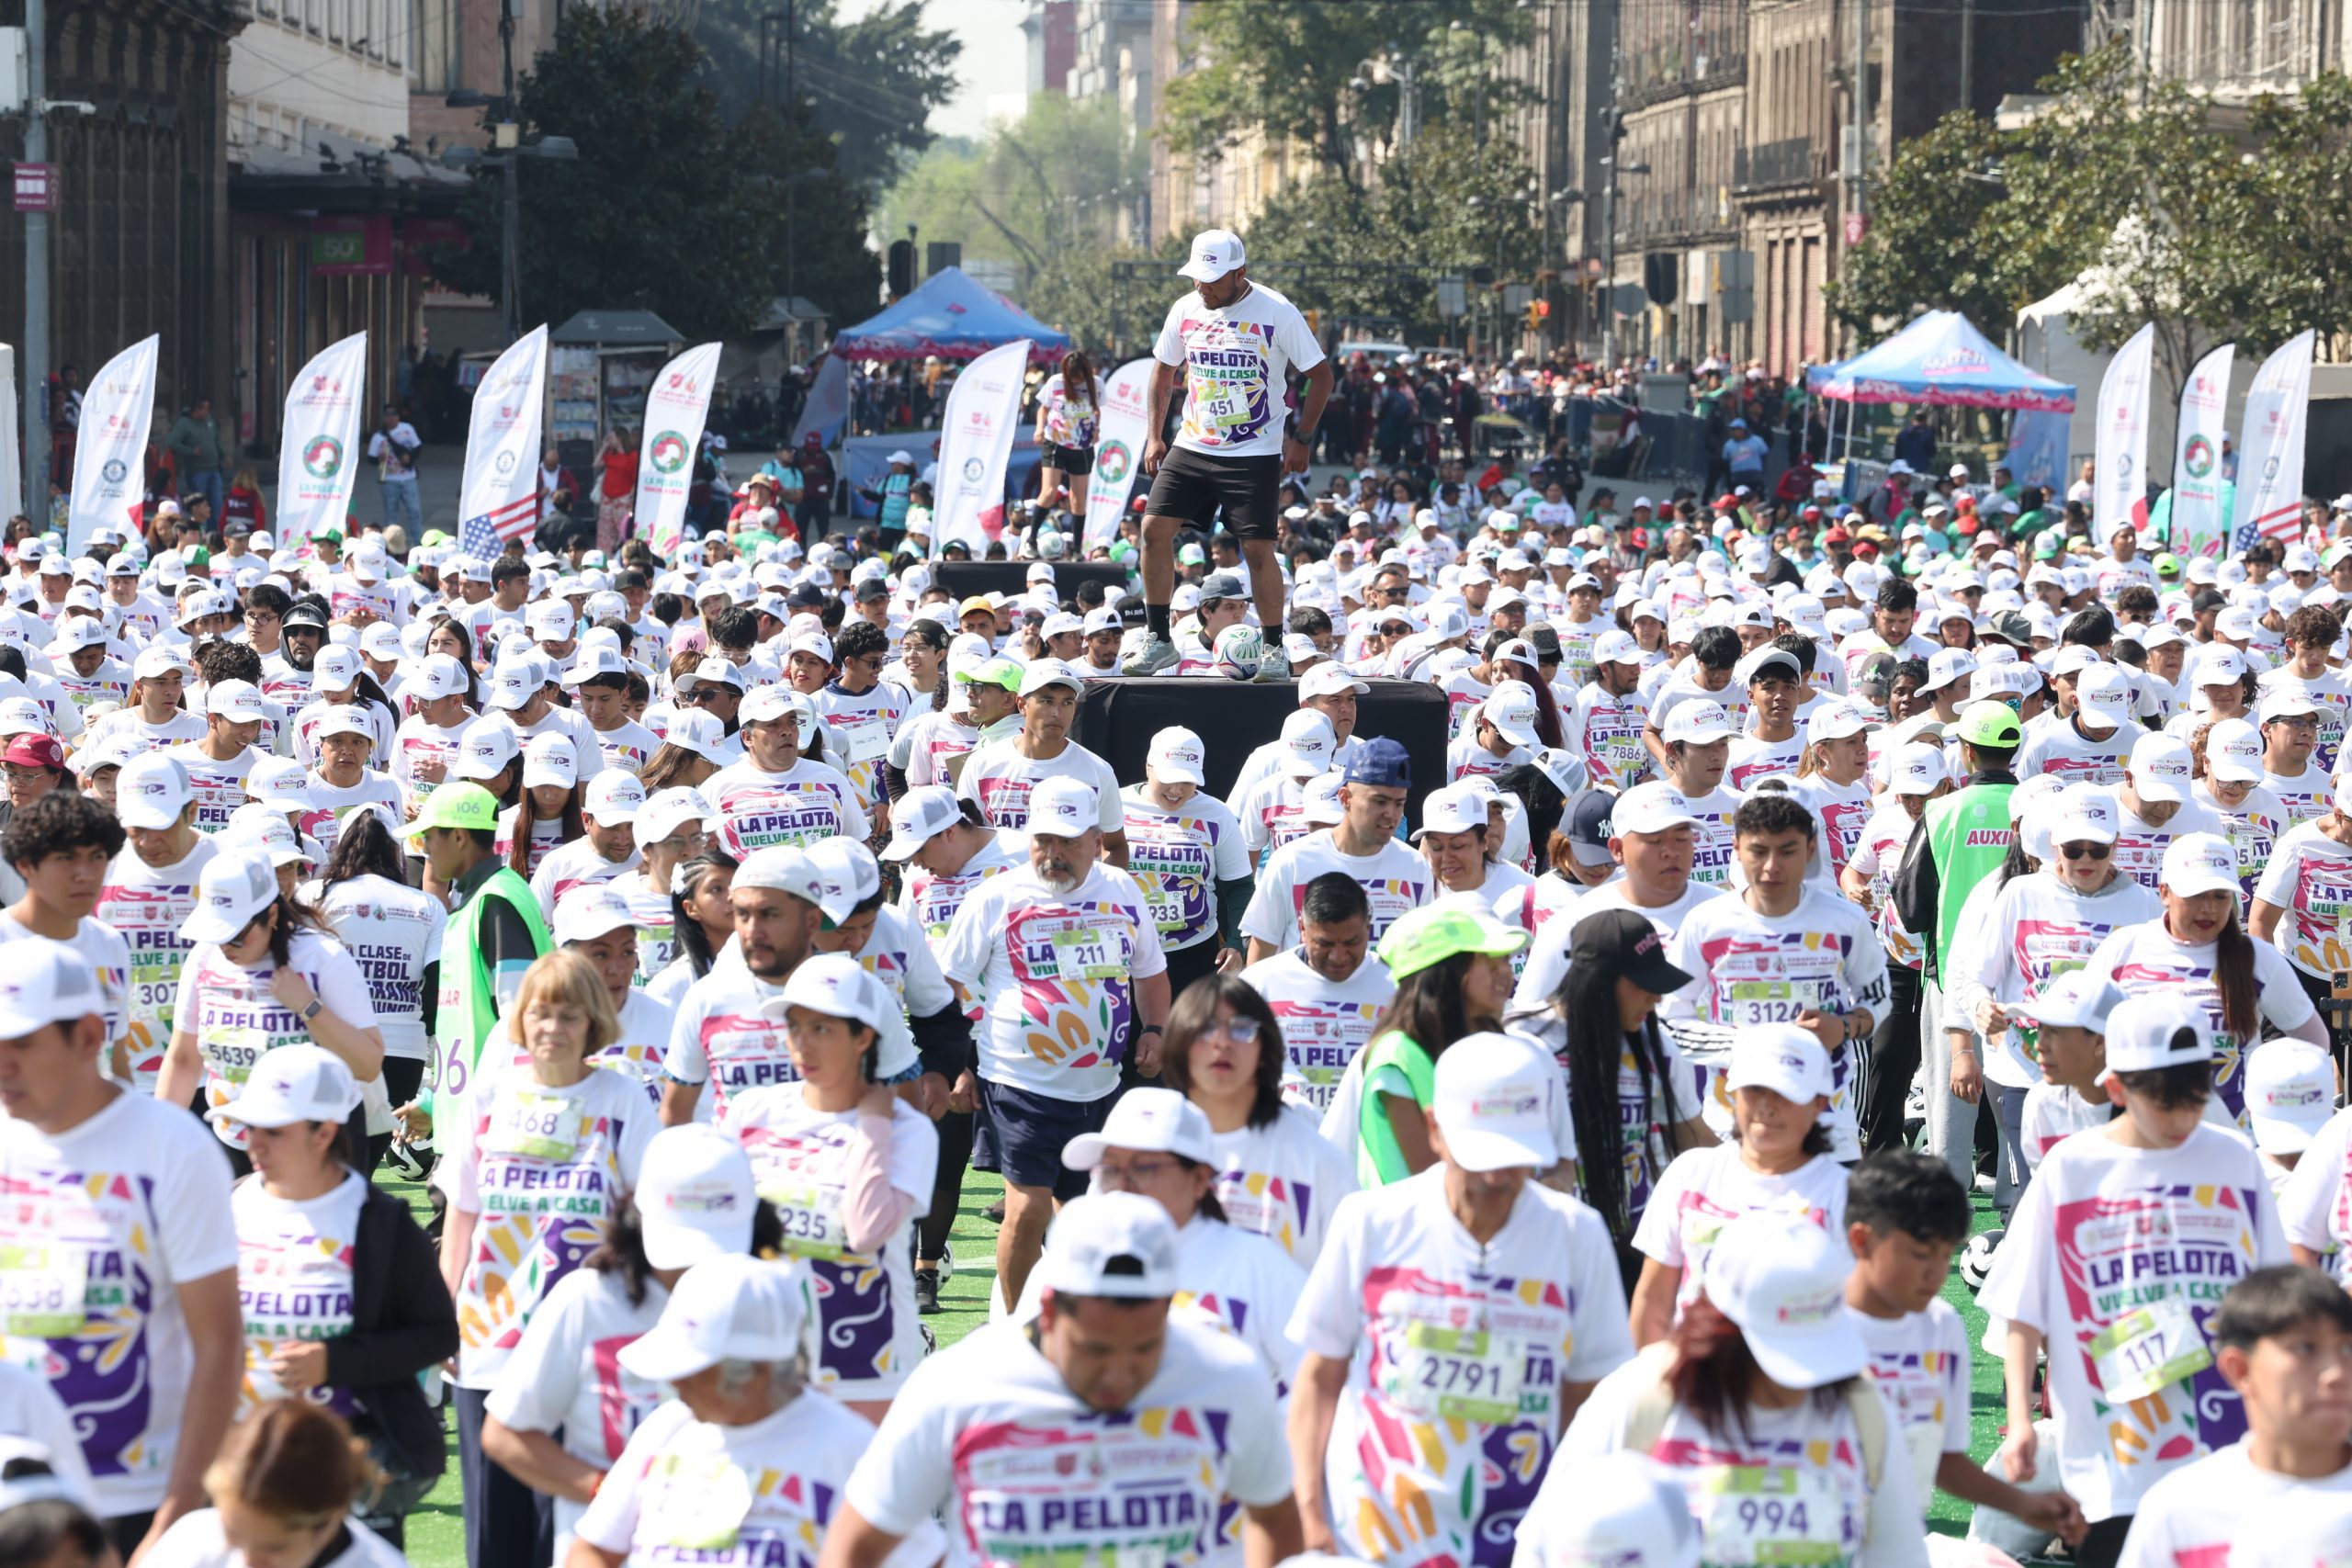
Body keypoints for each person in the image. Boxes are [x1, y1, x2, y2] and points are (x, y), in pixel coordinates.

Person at [1289, 1031, 1634, 1562]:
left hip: (1520, 1541)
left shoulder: (1576, 1236)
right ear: (1435, 1131)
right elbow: (1319, 1376)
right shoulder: (1372, 1223)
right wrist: (1311, 1517)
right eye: (1480, 1157)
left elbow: (1587, 1398)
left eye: (1516, 1158)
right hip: (1376, 1539)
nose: (1497, 1176)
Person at [819, 1193, 1301, 1568]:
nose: (1119, 1374)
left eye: (1147, 1349)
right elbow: (856, 1544)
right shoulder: (956, 1387)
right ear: (1047, 1311)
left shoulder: (1228, 1379)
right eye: (1095, 1349)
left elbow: (1277, 1519)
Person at [1979, 993, 2292, 1568]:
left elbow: (2277, 1297)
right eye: (2162, 1101)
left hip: (2222, 1439)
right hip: (2110, 1454)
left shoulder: (2235, 1159)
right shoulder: (2072, 1169)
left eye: (2195, 1097)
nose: (2182, 1117)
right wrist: (2021, 1422)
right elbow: (2021, 1307)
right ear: (2117, 1088)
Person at [0, 942, 241, 1561]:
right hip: (14, 1503)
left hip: (138, 1500)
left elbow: (219, 1346)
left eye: (20, 1044)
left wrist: (176, 1517)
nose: (2, 1064)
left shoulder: (173, 1148)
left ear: (85, 1036)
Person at [436, 948, 657, 1568]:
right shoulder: (490, 1095)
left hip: (588, 1347)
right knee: (494, 1538)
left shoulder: (624, 1100)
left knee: (570, 1530)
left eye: (568, 1015)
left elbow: (646, 1219)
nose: (552, 1028)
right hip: (489, 1339)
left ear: (593, 1022)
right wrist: (441, 1312)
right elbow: (463, 1215)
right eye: (539, 1013)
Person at [1550, 1209, 1929, 1568]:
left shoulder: (1862, 1411)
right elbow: (1545, 1542)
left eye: (1817, 1354)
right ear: (1722, 1335)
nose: (1804, 1379)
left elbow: (1900, 1555)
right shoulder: (1639, 1396)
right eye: (1782, 1358)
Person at [482, 1125, 774, 1562]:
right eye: (682, 1246)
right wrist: (613, 1494)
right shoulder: (587, 1299)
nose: (697, 1265)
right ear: (639, 1218)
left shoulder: (773, 1294)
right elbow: (506, 1434)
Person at [938, 775, 1170, 1312]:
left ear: (1097, 841)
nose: (1055, 854)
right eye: (1045, 840)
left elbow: (1150, 974)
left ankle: (1074, 1318)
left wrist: (1155, 1030)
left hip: (1101, 1089)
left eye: (1069, 841)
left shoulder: (1121, 889)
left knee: (1088, 1214)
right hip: (1019, 1085)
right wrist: (959, 1064)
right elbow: (944, 986)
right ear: (1027, 839)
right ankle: (1018, 1331)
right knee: (1027, 1208)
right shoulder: (995, 897)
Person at [216, 1046, 454, 1549]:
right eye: (248, 1126)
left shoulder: (380, 1222)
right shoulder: (227, 1205)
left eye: (272, 1130)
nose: (252, 1142)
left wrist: (336, 1363)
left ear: (324, 1134)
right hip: (240, 1462)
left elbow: (437, 1335)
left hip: (352, 1469)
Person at [725, 953, 938, 1420]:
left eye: (822, 1029)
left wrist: (874, 1122)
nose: (803, 1044)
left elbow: (866, 1231)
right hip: (768, 1360)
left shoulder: (907, 1131)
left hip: (868, 1364)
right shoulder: (752, 1112)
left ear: (864, 1037)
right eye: (795, 1027)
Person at [1845, 1150, 2088, 1547]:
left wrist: (2024, 1505)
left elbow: (1944, 1460)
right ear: (1862, 1240)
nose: (1936, 1274)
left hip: (1897, 1545)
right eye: (1921, 1255)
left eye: (1945, 1255)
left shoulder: (1941, 1327)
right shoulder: (1807, 1323)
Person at [1125, 231, 1332, 682]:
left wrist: (1303, 438)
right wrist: (1154, 437)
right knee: (1153, 530)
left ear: (1240, 273)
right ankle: (1160, 640)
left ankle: (1275, 649)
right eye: (1198, 278)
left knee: (1258, 548)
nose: (1204, 287)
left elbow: (1322, 377)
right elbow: (1162, 373)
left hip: (1254, 451)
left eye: (1213, 280)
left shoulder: (1278, 312)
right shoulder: (1185, 308)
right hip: (1193, 443)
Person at [1663, 791, 1886, 1158]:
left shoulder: (1846, 920)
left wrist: (1842, 1027)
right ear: (1736, 848)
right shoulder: (1706, 922)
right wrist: (1741, 1046)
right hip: (1732, 1124)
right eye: (1758, 851)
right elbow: (1671, 1017)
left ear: (1811, 848)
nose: (1771, 867)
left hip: (1828, 1123)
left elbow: (1877, 1001)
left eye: (1787, 850)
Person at [1514, 908, 1714, 1291]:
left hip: (1628, 1251)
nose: (1657, 998)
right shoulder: (1522, 1043)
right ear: (1598, 980)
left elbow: (1695, 1141)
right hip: (1540, 1253)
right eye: (1644, 983)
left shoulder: (1657, 1048)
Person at [2076, 832, 2326, 1131]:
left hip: (2233, 1139)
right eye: (2196, 895)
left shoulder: (2259, 958)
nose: (2209, 908)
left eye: (2220, 896)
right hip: (2136, 1136)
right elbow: (2080, 1033)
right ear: (2164, 893)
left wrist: (2276, 1102)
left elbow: (2314, 1042)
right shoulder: (2123, 947)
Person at [159, 848, 386, 1177]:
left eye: (237, 934)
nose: (225, 945)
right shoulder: (203, 958)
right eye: (216, 932)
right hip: (231, 1139)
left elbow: (368, 1065)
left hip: (319, 1145)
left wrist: (309, 1007)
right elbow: (182, 1060)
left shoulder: (320, 959)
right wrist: (156, 1138)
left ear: (273, 916)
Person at [1630, 1024, 1852, 1344]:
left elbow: (1852, 1315)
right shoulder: (1690, 1173)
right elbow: (1652, 1301)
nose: (1766, 1105)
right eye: (1754, 1089)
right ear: (1731, 1094)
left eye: (1784, 1092)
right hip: (1690, 1380)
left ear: (1819, 1103)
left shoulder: (1843, 1195)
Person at [1159, 972, 1356, 1268]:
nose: (1222, 1042)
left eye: (1241, 1029)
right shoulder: (1144, 1143)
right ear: (1178, 1043)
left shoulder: (1319, 1161)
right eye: (1205, 1029)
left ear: (1265, 1048)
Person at [1341, 904, 1527, 1186]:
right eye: (1490, 961)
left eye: (1505, 961)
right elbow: (1438, 1182)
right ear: (1449, 974)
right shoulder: (1398, 1056)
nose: (1505, 974)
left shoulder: (1483, 1045)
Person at [401, 782, 548, 1134]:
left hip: (493, 1129)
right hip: (472, 1122)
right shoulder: (480, 898)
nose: (425, 852)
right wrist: (438, 1101)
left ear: (459, 838)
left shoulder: (496, 900)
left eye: (427, 838)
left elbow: (521, 1021)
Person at [304, 813, 445, 1168]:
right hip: (402, 1051)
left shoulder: (312, 895)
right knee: (360, 1168)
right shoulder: (426, 905)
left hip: (329, 1041)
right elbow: (436, 985)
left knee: (323, 1167)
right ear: (394, 850)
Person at [140, 1400, 408, 1568]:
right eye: (232, 1534)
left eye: (273, 1548)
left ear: (329, 1523)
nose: (247, 1561)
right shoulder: (191, 1539)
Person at [1240, 738, 1432, 959]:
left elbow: (1421, 954)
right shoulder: (1291, 861)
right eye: (1379, 802)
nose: (1390, 814)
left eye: (1399, 803)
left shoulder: (1414, 865)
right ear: (1345, 798)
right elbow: (1260, 955)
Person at [96, 751, 218, 1096]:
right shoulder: (101, 867)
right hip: (118, 1074)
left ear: (192, 811)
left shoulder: (226, 863)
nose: (148, 843)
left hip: (209, 1077)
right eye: (136, 830)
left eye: (161, 827)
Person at [1237, 870, 1396, 1121]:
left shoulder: (1396, 986)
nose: (1338, 956)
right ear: (1302, 928)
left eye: (1352, 942)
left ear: (1368, 927)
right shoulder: (1257, 985)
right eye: (1325, 944)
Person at [1119, 726, 1250, 998]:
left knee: (1186, 1039)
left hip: (1194, 952)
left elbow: (1240, 887)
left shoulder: (1216, 814)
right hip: (1123, 948)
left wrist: (1237, 943)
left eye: (1187, 781)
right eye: (1168, 778)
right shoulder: (1114, 805)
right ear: (1148, 767)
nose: (1177, 790)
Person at [701, 686, 866, 854]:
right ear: (747, 737)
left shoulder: (831, 779)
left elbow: (861, 847)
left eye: (792, 722)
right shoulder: (717, 787)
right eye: (773, 724)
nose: (787, 731)